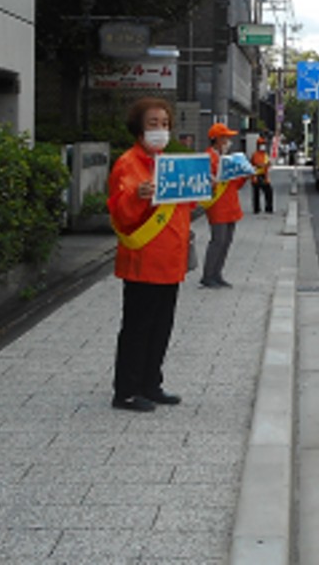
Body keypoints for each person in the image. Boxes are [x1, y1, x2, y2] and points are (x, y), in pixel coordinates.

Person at [106, 97, 192, 412]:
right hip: (144, 260)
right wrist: (139, 197)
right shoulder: (128, 163)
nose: (160, 130)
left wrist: (200, 187)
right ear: (139, 128)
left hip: (170, 259)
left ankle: (151, 383)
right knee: (138, 326)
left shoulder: (167, 163)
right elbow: (121, 212)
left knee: (161, 325)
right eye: (153, 123)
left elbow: (183, 209)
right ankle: (126, 390)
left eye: (165, 124)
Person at [200, 122, 246, 288]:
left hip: (231, 205)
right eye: (225, 138)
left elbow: (236, 185)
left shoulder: (226, 159)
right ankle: (208, 275)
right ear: (217, 139)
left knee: (226, 241)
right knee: (218, 240)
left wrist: (244, 174)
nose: (228, 141)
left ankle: (217, 273)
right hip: (217, 206)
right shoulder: (208, 158)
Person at [250, 137, 273, 214]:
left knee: (268, 191)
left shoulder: (265, 155)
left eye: (264, 144)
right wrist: (264, 165)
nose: (263, 146)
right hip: (256, 175)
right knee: (256, 193)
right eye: (261, 144)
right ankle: (256, 209)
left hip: (264, 175)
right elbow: (257, 164)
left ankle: (269, 207)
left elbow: (268, 163)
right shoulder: (255, 155)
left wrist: (268, 164)